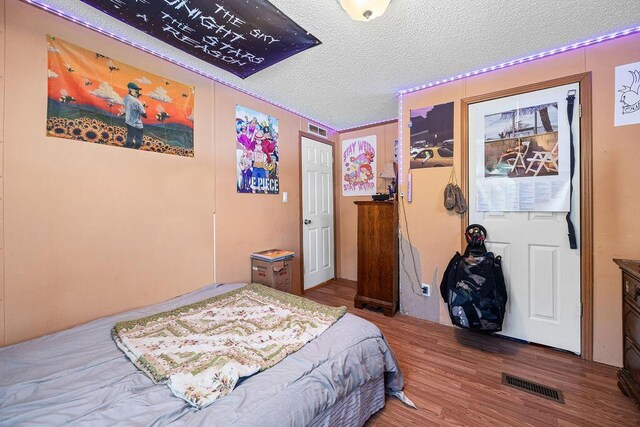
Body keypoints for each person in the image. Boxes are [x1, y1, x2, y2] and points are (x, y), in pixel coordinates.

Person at [123, 82, 147, 149]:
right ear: (131, 90)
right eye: (136, 91)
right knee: (138, 142)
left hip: (128, 121)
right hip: (137, 124)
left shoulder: (125, 98)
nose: (138, 92)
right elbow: (145, 115)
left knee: (129, 138)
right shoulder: (137, 102)